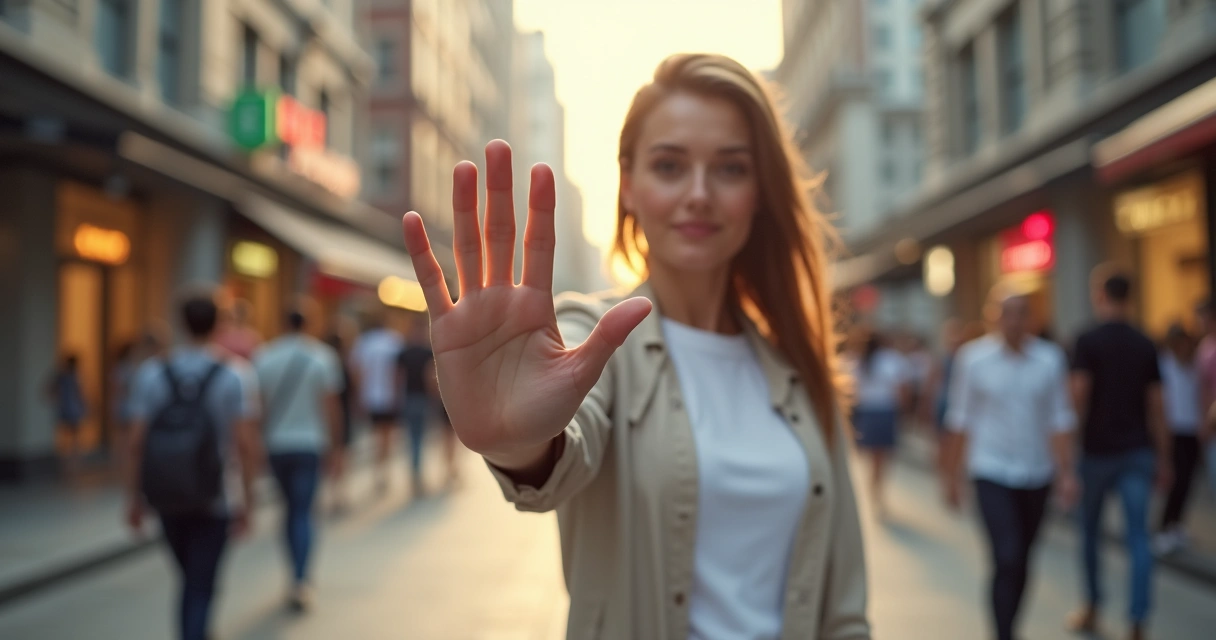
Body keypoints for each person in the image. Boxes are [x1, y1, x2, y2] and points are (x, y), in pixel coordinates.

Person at [401, 54, 869, 639]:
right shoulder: (590, 339)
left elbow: (846, 609)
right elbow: (563, 445)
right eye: (670, 165)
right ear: (629, 184)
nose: (698, 194)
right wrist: (519, 444)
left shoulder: (799, 370)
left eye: (730, 169)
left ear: (760, 192)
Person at [125, 289, 263, 640]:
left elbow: (135, 443)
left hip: (167, 495)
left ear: (180, 322)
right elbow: (245, 445)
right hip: (215, 496)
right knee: (201, 583)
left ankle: (195, 628)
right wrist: (248, 500)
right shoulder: (235, 374)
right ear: (218, 323)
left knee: (189, 578)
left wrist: (133, 498)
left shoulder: (153, 373)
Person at [941, 293, 1078, 640]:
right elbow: (959, 419)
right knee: (1007, 555)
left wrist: (1067, 473)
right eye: (1007, 314)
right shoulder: (973, 359)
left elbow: (1059, 418)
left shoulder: (1049, 359)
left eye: (1021, 314)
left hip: (1036, 472)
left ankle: (1011, 624)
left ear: (1031, 318)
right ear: (992, 316)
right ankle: (1003, 633)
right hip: (991, 470)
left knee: (1023, 559)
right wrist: (950, 476)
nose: (1014, 322)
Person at [1068, 266, 1171, 640]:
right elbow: (1158, 406)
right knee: (1138, 539)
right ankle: (1137, 620)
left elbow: (1078, 397)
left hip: (1096, 453)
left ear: (1100, 294)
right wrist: (1165, 457)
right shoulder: (1145, 342)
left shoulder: (1087, 340)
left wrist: (1067, 455)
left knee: (1090, 534)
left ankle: (1093, 606)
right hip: (1137, 451)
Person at [253, 303, 343, 613]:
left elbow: (259, 409)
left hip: (277, 445)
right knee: (303, 512)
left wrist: (256, 448)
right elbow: (331, 408)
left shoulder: (265, 356)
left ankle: (294, 572)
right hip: (309, 444)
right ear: (310, 323)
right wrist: (337, 448)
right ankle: (300, 578)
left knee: (289, 509)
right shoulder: (322, 357)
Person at [843, 327, 910, 517]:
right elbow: (902, 390)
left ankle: (872, 491)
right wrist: (902, 413)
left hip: (864, 412)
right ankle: (877, 493)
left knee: (869, 457)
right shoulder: (890, 360)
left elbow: (849, 390)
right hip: (883, 412)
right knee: (881, 459)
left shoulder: (855, 360)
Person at [1154, 324, 1202, 556]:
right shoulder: (1164, 365)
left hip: (1192, 428)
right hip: (1173, 430)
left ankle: (1176, 524)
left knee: (1188, 480)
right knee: (1176, 479)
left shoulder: (1194, 365)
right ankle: (1165, 526)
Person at [348, 306, 405, 494]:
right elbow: (399, 372)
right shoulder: (394, 340)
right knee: (387, 435)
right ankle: (384, 470)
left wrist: (359, 395)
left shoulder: (364, 342)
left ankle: (378, 470)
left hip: (371, 395)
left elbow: (357, 371)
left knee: (376, 435)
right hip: (390, 395)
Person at [398, 314, 438, 495]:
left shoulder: (403, 352)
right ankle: (417, 477)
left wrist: (397, 398)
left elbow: (397, 378)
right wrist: (434, 398)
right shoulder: (426, 352)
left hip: (408, 398)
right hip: (421, 399)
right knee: (419, 439)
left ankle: (414, 475)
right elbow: (429, 378)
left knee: (412, 439)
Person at [322, 327, 355, 514]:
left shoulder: (323, 360)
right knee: (341, 454)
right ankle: (338, 493)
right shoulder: (339, 363)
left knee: (331, 454)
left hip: (324, 414)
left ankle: (332, 492)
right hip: (340, 413)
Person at [46, 354, 87, 478]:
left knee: (64, 438)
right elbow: (80, 393)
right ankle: (74, 465)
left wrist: (57, 400)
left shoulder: (61, 376)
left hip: (64, 409)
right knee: (75, 439)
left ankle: (64, 464)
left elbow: (50, 390)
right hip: (73, 409)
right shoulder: (75, 376)